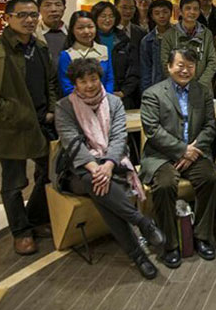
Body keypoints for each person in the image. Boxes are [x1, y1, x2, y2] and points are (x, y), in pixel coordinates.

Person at [54, 58, 165, 279]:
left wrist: (108, 165)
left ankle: (138, 257)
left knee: (100, 192)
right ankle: (142, 222)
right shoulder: (64, 106)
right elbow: (72, 143)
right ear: (74, 83)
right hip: (77, 170)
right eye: (83, 81)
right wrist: (96, 168)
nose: (89, 85)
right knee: (90, 181)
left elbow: (118, 138)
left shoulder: (113, 102)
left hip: (112, 166)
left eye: (93, 79)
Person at [0, 0, 57, 255]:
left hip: (40, 122)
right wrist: (5, 109)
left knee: (50, 172)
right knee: (14, 182)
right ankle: (21, 231)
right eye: (22, 15)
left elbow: (49, 81)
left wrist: (51, 108)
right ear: (8, 18)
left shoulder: (39, 47)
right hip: (11, 125)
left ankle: (35, 219)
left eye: (33, 14)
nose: (29, 20)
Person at [140, 48, 216, 269]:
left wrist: (193, 150)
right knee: (165, 185)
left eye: (190, 66)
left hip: (196, 153)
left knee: (210, 178)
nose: (185, 70)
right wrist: (182, 150)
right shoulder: (153, 93)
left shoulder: (203, 92)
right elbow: (152, 130)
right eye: (180, 65)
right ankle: (170, 244)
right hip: (162, 156)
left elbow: (210, 125)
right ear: (169, 67)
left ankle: (202, 237)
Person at [160, 0, 216, 96]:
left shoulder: (206, 34)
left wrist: (200, 84)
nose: (192, 12)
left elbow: (212, 62)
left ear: (199, 12)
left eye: (195, 9)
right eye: (188, 8)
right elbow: (166, 63)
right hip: (177, 88)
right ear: (180, 11)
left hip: (202, 89)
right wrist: (182, 83)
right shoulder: (169, 35)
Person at [93, 1, 140, 109]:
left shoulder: (124, 40)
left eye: (111, 16)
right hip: (94, 96)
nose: (107, 20)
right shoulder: (89, 39)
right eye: (103, 16)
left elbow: (134, 69)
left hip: (122, 96)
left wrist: (124, 92)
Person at [59, 11, 113, 96]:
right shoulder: (67, 55)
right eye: (80, 28)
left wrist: (105, 99)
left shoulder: (104, 50)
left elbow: (109, 79)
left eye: (90, 27)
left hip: (104, 101)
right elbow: (67, 86)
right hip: (77, 104)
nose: (86, 31)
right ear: (72, 30)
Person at [139, 0, 173, 93]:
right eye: (157, 13)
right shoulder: (147, 41)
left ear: (171, 13)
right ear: (152, 16)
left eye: (165, 12)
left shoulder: (181, 36)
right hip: (157, 87)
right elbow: (145, 71)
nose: (161, 16)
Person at [35, 0, 68, 72]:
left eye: (58, 4)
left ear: (64, 8)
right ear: (39, 9)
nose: (53, 9)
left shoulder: (73, 33)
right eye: (47, 5)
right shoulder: (32, 35)